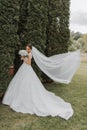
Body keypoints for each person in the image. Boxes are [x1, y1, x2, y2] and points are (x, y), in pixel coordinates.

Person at [2, 44, 74, 120]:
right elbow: (25, 61)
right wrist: (23, 57)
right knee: (20, 83)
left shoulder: (29, 54)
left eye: (28, 49)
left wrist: (24, 58)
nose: (27, 50)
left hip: (27, 69)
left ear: (30, 49)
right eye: (26, 49)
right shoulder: (27, 53)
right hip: (23, 69)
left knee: (27, 84)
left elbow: (29, 63)